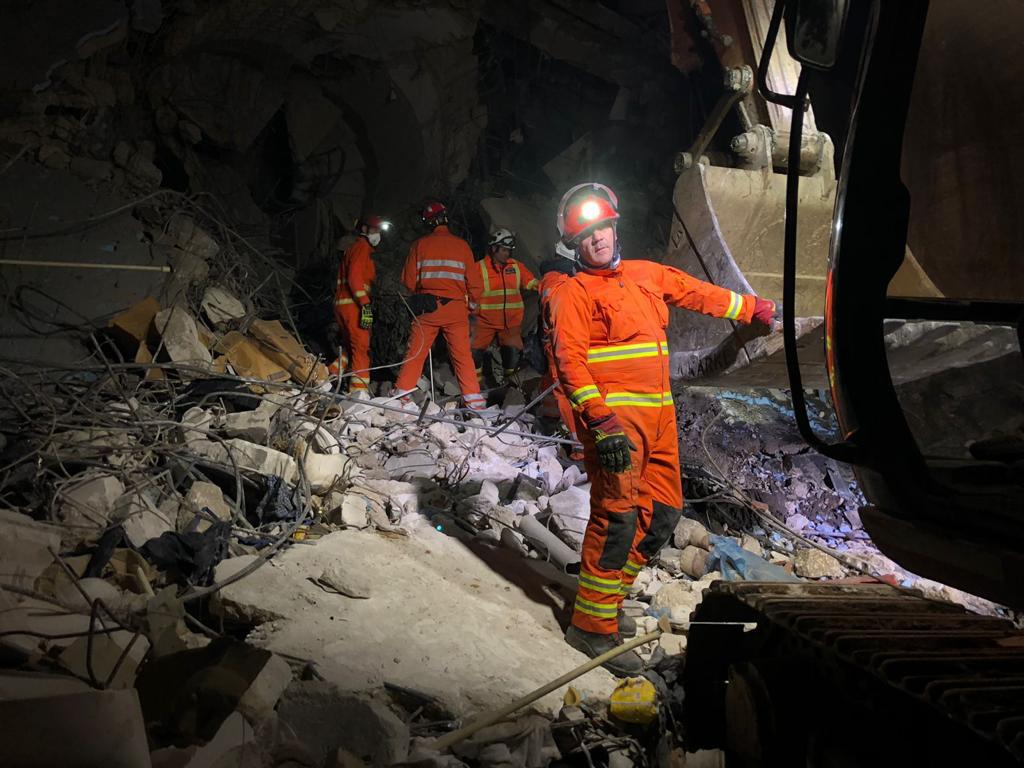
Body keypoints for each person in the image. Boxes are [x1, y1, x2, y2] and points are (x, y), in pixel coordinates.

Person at [548, 182, 777, 676]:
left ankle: (607, 606)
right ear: (575, 246)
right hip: (617, 427)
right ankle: (590, 626)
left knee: (664, 518)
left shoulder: (647, 275)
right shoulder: (572, 294)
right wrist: (600, 422)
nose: (597, 240)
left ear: (614, 226)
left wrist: (750, 310)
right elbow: (569, 364)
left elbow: (697, 293)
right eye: (585, 236)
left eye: (601, 228)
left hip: (660, 419)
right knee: (617, 523)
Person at [393, 202, 487, 411]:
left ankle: (401, 396)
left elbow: (408, 281)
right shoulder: (462, 246)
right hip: (455, 310)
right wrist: (471, 306)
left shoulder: (420, 245)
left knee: (416, 353)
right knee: (462, 356)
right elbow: (475, 284)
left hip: (428, 309)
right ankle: (474, 401)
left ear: (428, 222)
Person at [471, 228, 538, 388]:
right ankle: (475, 388)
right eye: (503, 250)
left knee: (512, 356)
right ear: (494, 249)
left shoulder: (516, 267)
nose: (507, 254)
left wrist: (549, 286)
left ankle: (511, 389)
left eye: (509, 250)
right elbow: (469, 293)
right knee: (473, 352)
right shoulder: (479, 268)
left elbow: (532, 282)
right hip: (484, 322)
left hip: (511, 323)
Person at [330, 215, 388, 393]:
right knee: (362, 348)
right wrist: (365, 304)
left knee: (350, 348)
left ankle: (328, 375)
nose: (378, 234)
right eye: (375, 230)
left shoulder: (354, 248)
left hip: (343, 305)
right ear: (364, 229)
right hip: (354, 305)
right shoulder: (362, 248)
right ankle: (358, 394)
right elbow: (355, 277)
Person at [535, 242, 580, 453]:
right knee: (567, 389)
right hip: (560, 346)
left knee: (555, 384)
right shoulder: (556, 282)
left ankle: (549, 418)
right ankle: (579, 446)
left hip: (562, 344)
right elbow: (560, 319)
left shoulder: (558, 279)